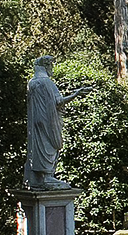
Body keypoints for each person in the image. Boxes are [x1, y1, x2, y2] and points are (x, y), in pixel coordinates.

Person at [24, 56, 91, 190]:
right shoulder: (47, 82)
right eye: (50, 65)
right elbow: (58, 101)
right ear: (46, 66)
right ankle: (47, 177)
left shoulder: (32, 82)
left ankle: (37, 178)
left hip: (36, 123)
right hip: (47, 123)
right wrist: (76, 94)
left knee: (37, 148)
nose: (52, 68)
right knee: (51, 147)